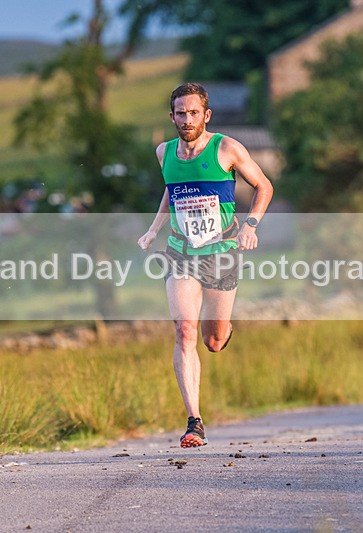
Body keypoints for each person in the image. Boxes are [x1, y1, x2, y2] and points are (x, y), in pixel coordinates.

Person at [137, 82, 273, 448]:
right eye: (180, 113)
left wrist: (250, 225)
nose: (187, 119)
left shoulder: (227, 148)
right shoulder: (164, 152)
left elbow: (264, 186)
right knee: (185, 331)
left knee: (212, 341)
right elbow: (172, 191)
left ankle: (224, 329)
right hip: (181, 252)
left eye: (193, 113)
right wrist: (153, 230)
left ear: (206, 115)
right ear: (171, 117)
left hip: (221, 252)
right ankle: (194, 422)